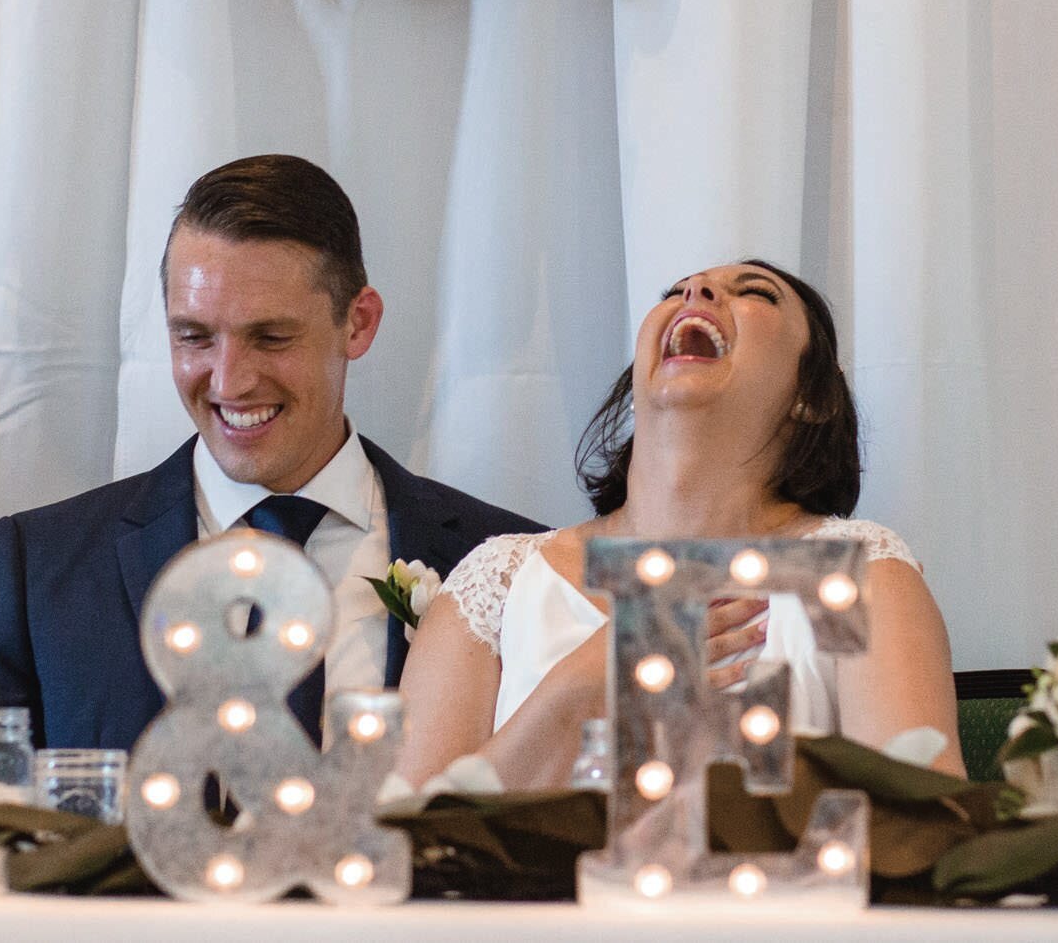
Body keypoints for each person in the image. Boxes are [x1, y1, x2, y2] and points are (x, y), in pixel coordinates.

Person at [0, 155, 542, 749]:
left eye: (271, 337)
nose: (230, 382)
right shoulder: (43, 568)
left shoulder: (516, 570)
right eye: (194, 337)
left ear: (358, 324)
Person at [395, 259, 962, 787]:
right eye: (675, 292)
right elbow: (407, 849)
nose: (697, 292)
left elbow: (921, 831)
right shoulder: (497, 580)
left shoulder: (859, 574)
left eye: (756, 294)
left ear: (812, 396)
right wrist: (578, 691)